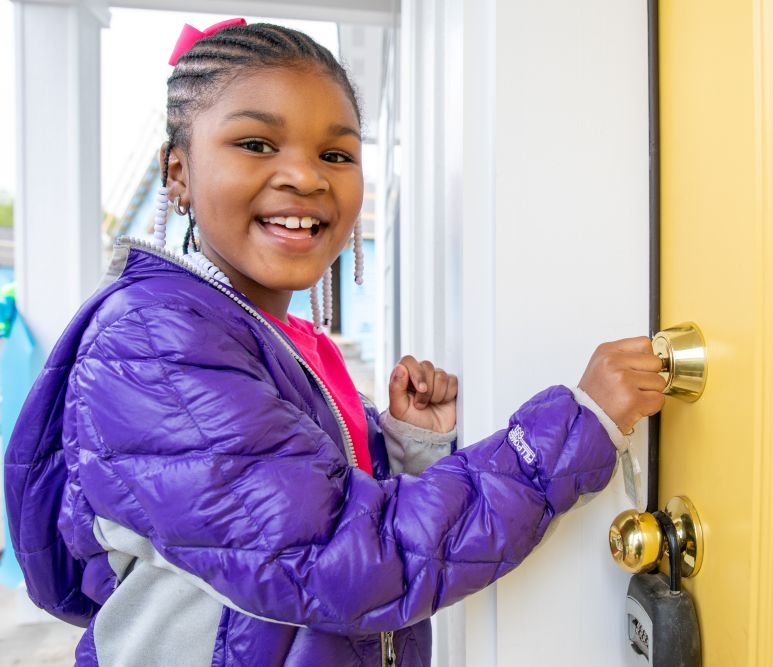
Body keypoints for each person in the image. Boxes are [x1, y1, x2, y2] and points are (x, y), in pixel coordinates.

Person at [3, 20, 667, 667]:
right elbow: (344, 561)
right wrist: (575, 427)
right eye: (256, 144)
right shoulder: (156, 345)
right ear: (177, 172)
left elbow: (314, 511)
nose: (305, 177)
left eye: (336, 154)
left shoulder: (256, 335)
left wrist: (407, 447)